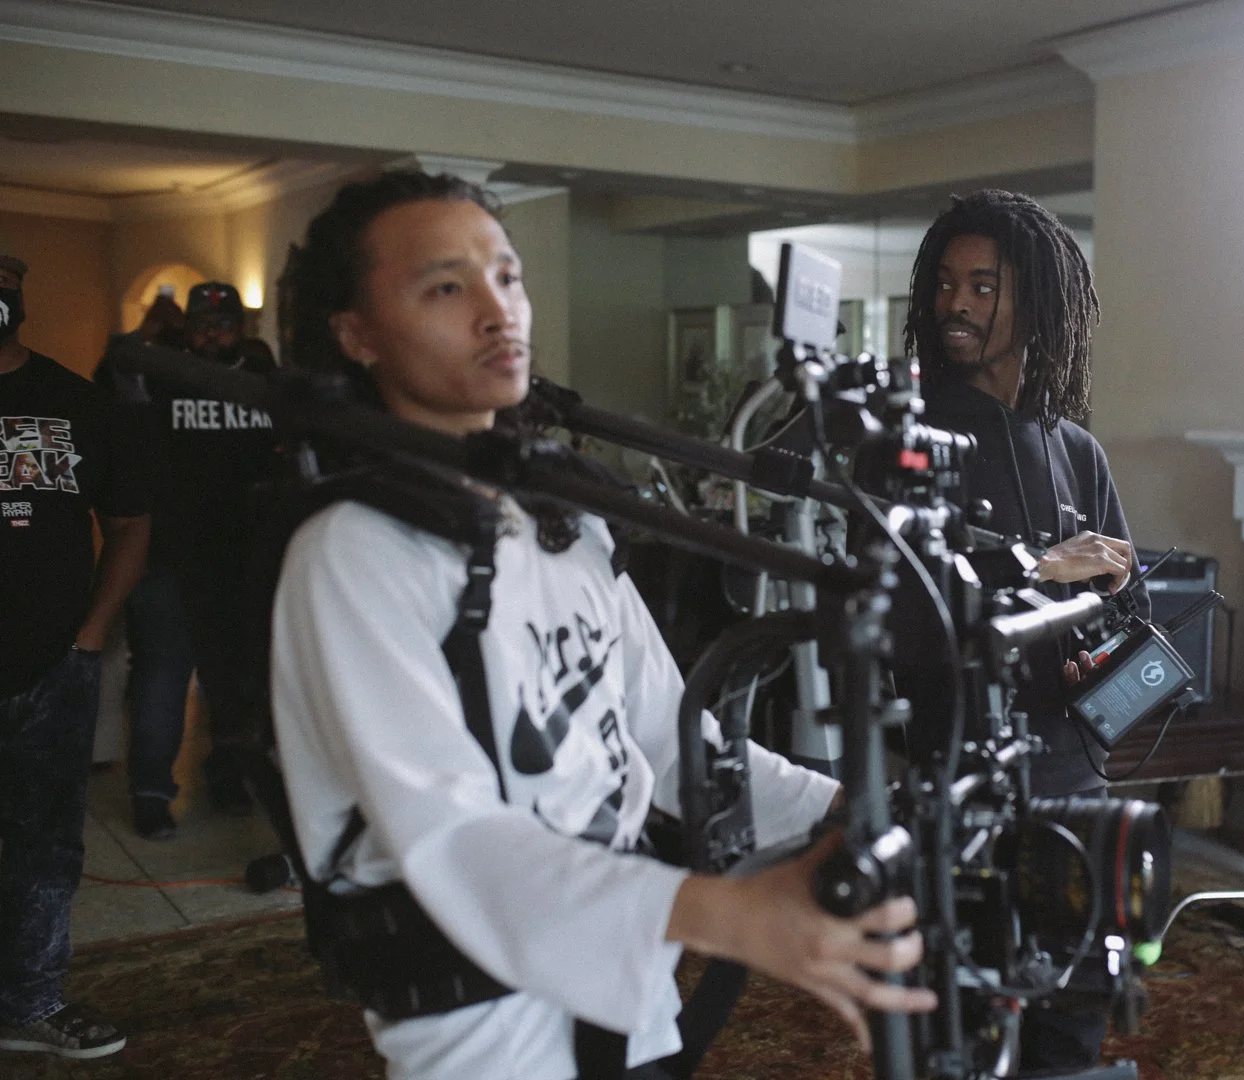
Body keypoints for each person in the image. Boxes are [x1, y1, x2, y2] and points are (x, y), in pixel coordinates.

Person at [271, 170, 936, 1080]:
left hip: (628, 991)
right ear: (355, 334)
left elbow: (667, 735)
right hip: (485, 1036)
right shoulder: (353, 554)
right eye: (445, 287)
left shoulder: (559, 518)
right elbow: (454, 841)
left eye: (506, 276)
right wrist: (727, 914)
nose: (496, 311)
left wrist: (847, 805)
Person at [903, 188, 1141, 1069]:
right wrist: (1039, 565)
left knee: (1078, 1003)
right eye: (945, 283)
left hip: (1079, 773)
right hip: (961, 777)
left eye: (982, 285)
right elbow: (903, 610)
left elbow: (1127, 596)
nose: (954, 304)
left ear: (1034, 302)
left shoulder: (1076, 449)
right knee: (959, 1018)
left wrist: (1110, 618)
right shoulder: (911, 441)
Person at [0, 248, 150, 1059]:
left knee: (46, 844)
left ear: (21, 293)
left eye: (4, 279)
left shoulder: (77, 403)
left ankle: (29, 998)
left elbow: (129, 525)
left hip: (51, 665)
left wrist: (91, 633)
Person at [110, 282, 279, 838]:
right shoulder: (161, 373)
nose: (212, 334)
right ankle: (152, 794)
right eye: (202, 325)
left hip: (244, 560)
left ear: (241, 327)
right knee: (163, 677)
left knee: (234, 680)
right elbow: (113, 375)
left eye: (223, 324)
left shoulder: (264, 379)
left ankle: (229, 778)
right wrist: (148, 336)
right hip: (169, 559)